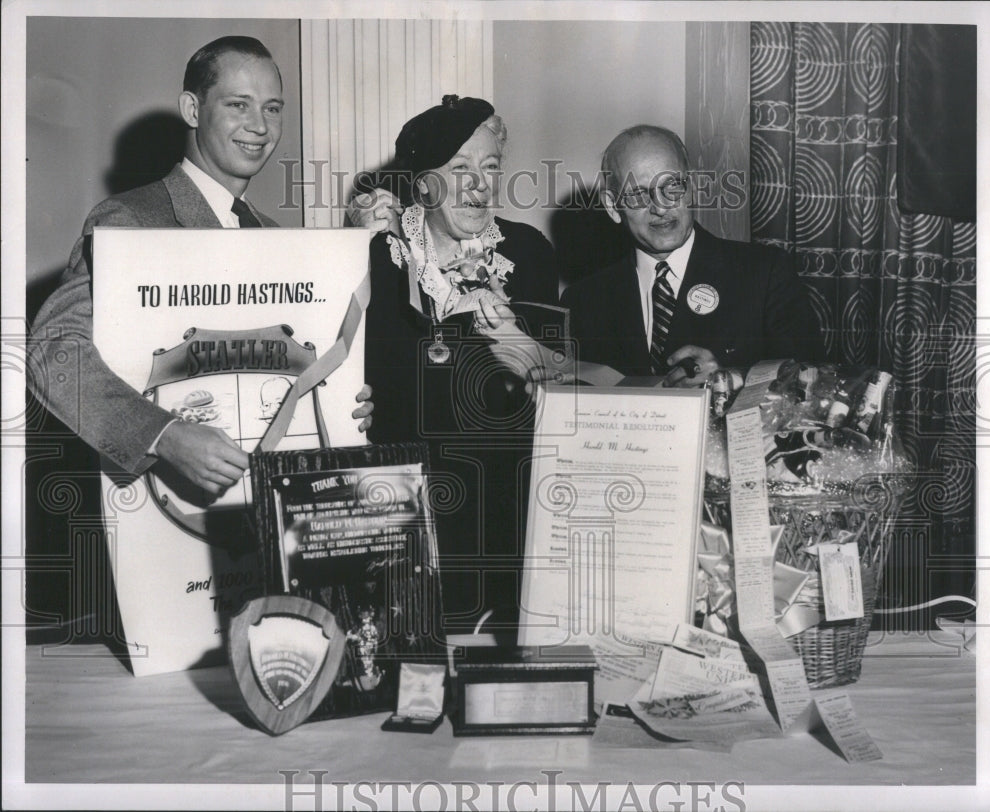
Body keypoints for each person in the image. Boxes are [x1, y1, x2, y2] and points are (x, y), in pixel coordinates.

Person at [29, 36, 374, 496]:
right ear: (192, 110)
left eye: (273, 109)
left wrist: (339, 404)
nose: (259, 126)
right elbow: (51, 353)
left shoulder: (277, 237)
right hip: (164, 520)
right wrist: (163, 436)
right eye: (239, 105)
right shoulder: (130, 219)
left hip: (266, 515)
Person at [363, 95, 560, 636]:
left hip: (508, 515)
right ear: (422, 183)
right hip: (408, 517)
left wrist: (522, 346)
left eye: (491, 168)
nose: (480, 185)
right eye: (459, 169)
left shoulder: (527, 251)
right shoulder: (377, 255)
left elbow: (565, 381)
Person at [561, 125, 823, 385]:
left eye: (672, 186)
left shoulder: (765, 273)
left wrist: (731, 380)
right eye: (638, 194)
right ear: (613, 207)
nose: (661, 207)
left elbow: (811, 378)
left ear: (692, 187)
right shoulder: (583, 301)